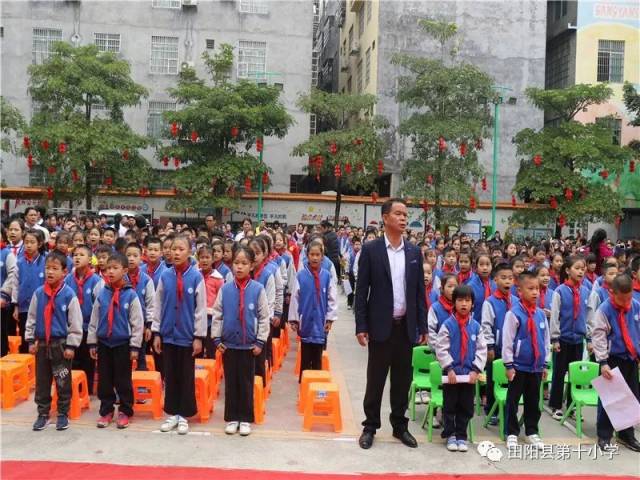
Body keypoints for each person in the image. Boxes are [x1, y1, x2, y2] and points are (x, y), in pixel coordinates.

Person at [355, 198, 427, 450]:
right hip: (380, 327)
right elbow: (361, 290)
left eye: (406, 214)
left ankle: (400, 425)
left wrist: (423, 326)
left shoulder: (414, 252)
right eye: (398, 213)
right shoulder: (371, 250)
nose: (404, 218)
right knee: (375, 380)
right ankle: (370, 426)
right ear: (385, 218)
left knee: (401, 380)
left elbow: (419, 293)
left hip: (405, 328)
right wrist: (361, 326)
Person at [211, 246, 270, 436]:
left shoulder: (258, 289)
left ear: (252, 265)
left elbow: (263, 317)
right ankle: (232, 417)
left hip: (249, 346)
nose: (239, 267)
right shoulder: (226, 289)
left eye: (244, 263)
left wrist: (260, 341)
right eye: (236, 263)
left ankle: (245, 418)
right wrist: (216, 337)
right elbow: (218, 314)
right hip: (229, 345)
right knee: (231, 382)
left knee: (245, 383)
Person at [152, 235, 206, 435]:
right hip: (168, 335)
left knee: (186, 375)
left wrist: (198, 337)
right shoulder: (165, 277)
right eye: (173, 249)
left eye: (181, 249)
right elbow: (157, 306)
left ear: (189, 252)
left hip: (186, 336)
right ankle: (172, 413)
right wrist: (157, 332)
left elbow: (200, 310)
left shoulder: (196, 277)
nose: (176, 253)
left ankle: (184, 414)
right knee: (170, 374)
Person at [25, 250, 83, 431]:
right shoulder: (38, 293)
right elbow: (32, 318)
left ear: (64, 272)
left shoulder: (69, 295)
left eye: (55, 268)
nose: (50, 272)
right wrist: (30, 339)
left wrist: (72, 345)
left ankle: (63, 413)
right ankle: (43, 413)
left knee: (62, 380)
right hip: (42, 344)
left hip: (61, 346)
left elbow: (75, 322)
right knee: (42, 381)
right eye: (48, 268)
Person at [88, 253, 143, 429]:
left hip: (123, 344)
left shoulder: (131, 295)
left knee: (123, 380)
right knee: (105, 380)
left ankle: (125, 411)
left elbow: (137, 323)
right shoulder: (102, 293)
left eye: (115, 268)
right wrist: (92, 342)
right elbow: (94, 319)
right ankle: (106, 411)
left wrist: (135, 346)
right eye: (107, 268)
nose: (110, 272)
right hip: (104, 343)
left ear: (125, 270)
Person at [435, 285, 487, 452]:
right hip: (451, 375)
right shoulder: (448, 325)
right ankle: (450, 434)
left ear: (472, 304)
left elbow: (481, 349)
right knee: (450, 405)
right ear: (454, 303)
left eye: (467, 300)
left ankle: (461, 435)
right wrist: (449, 368)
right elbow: (441, 348)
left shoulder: (476, 327)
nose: (464, 304)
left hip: (469, 376)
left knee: (466, 406)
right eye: (460, 300)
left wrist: (476, 370)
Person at [591, 274, 640, 452]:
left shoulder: (635, 306)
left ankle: (627, 435)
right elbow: (598, 336)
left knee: (631, 398)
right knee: (609, 400)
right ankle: (604, 436)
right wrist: (603, 361)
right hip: (611, 359)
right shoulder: (604, 310)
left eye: (629, 298)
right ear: (612, 292)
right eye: (622, 298)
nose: (626, 302)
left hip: (631, 358)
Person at [502, 271, 550, 450]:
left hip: (536, 367)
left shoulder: (541, 314)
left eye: (537, 289)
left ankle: (532, 431)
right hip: (518, 367)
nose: (535, 292)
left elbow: (545, 341)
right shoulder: (513, 314)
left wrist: (545, 363)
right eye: (530, 289)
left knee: (533, 401)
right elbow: (507, 341)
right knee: (513, 400)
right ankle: (511, 432)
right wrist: (508, 365)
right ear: (519, 291)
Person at [289, 241, 338, 380]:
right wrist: (294, 319)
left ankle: (317, 382)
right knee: (305, 356)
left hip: (321, 322)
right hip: (305, 322)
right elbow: (295, 298)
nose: (315, 258)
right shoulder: (301, 276)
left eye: (318, 254)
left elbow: (332, 298)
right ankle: (303, 384)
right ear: (307, 256)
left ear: (322, 256)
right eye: (312, 254)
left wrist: (330, 319)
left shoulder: (327, 276)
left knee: (317, 357)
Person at [549, 255, 589, 420]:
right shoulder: (560, 291)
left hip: (578, 339)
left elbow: (589, 316)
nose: (581, 271)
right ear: (567, 270)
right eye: (577, 268)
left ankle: (572, 406)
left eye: (583, 268)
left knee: (575, 375)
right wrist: (555, 339)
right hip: (563, 339)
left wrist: (590, 337)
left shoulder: (586, 290)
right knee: (559, 373)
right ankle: (556, 406)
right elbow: (555, 316)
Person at [480, 262, 518, 424]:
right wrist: (489, 346)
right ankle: (492, 409)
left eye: (510, 278)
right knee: (493, 379)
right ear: (495, 280)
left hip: (514, 349)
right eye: (503, 278)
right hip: (496, 347)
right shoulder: (490, 302)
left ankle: (511, 410)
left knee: (513, 380)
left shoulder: (517, 301)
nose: (507, 281)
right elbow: (486, 325)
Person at [64, 245, 103, 394]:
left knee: (87, 359)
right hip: (72, 327)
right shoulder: (68, 279)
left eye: (81, 255)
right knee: (73, 358)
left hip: (88, 327)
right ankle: (73, 388)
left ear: (90, 259)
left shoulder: (96, 281)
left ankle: (86, 390)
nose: (77, 257)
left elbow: (99, 306)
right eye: (75, 255)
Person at [13, 229, 47, 353]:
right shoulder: (20, 262)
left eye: (32, 242)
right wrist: (16, 305)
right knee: (24, 336)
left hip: (41, 306)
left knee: (40, 337)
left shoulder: (46, 261)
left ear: (39, 244)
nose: (28, 245)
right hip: (24, 306)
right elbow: (16, 285)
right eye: (26, 242)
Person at [125, 242, 155, 371]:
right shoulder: (119, 278)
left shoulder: (147, 280)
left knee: (141, 357)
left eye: (135, 255)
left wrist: (149, 326)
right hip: (123, 327)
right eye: (128, 255)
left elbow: (151, 305)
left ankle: (141, 387)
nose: (131, 258)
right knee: (124, 359)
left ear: (141, 257)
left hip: (141, 327)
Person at [197, 245, 224, 359]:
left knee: (210, 349)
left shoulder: (218, 278)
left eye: (207, 257)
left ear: (213, 259)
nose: (204, 260)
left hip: (211, 319)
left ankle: (211, 372)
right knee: (197, 348)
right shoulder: (195, 276)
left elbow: (221, 299)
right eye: (202, 257)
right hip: (198, 318)